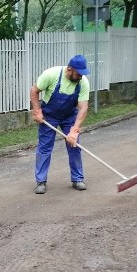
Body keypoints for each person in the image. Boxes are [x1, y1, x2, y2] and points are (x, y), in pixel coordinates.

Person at [30, 54, 91, 194]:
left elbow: (83, 108)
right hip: (49, 115)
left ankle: (77, 179)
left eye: (83, 73)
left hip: (69, 116)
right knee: (45, 148)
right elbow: (34, 90)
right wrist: (37, 111)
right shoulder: (51, 75)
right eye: (78, 73)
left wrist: (74, 130)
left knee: (74, 145)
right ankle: (41, 181)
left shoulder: (83, 82)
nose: (81, 76)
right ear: (70, 70)